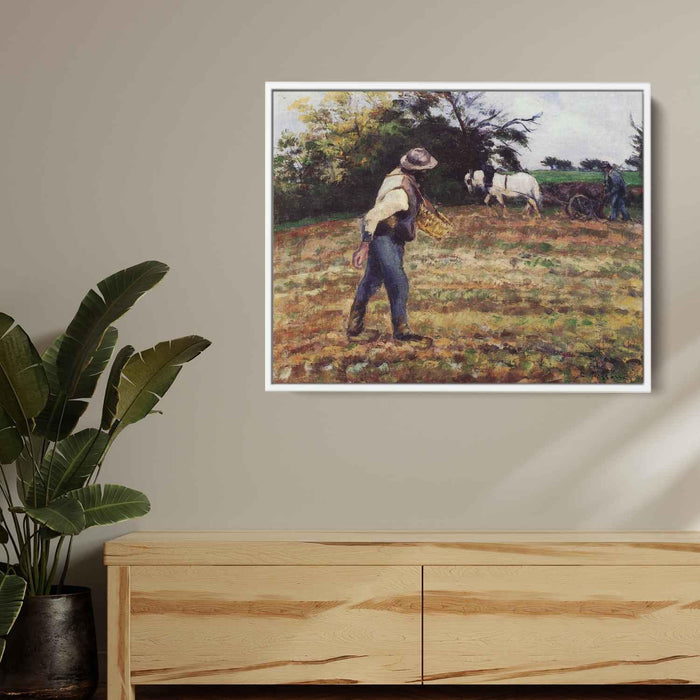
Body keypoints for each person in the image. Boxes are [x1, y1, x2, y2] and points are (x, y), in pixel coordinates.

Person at [347, 147, 438, 341]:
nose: (428, 174)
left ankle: (354, 326)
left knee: (372, 280)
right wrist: (363, 247)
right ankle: (401, 332)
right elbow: (371, 216)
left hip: (390, 238)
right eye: (426, 171)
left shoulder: (399, 176)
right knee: (399, 283)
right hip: (384, 238)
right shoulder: (399, 195)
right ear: (417, 172)